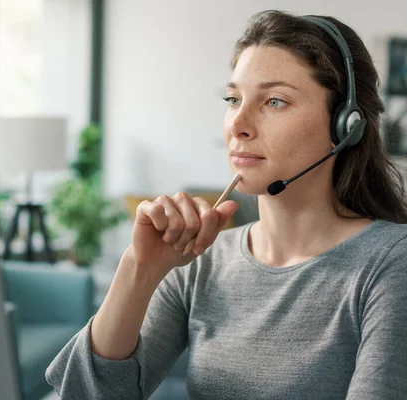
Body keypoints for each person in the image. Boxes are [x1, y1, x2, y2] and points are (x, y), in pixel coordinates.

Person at [46, 10, 407, 399]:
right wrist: (139, 269)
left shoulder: (391, 262)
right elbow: (82, 393)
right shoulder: (199, 260)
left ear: (345, 125)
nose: (238, 123)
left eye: (274, 101)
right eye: (233, 98)